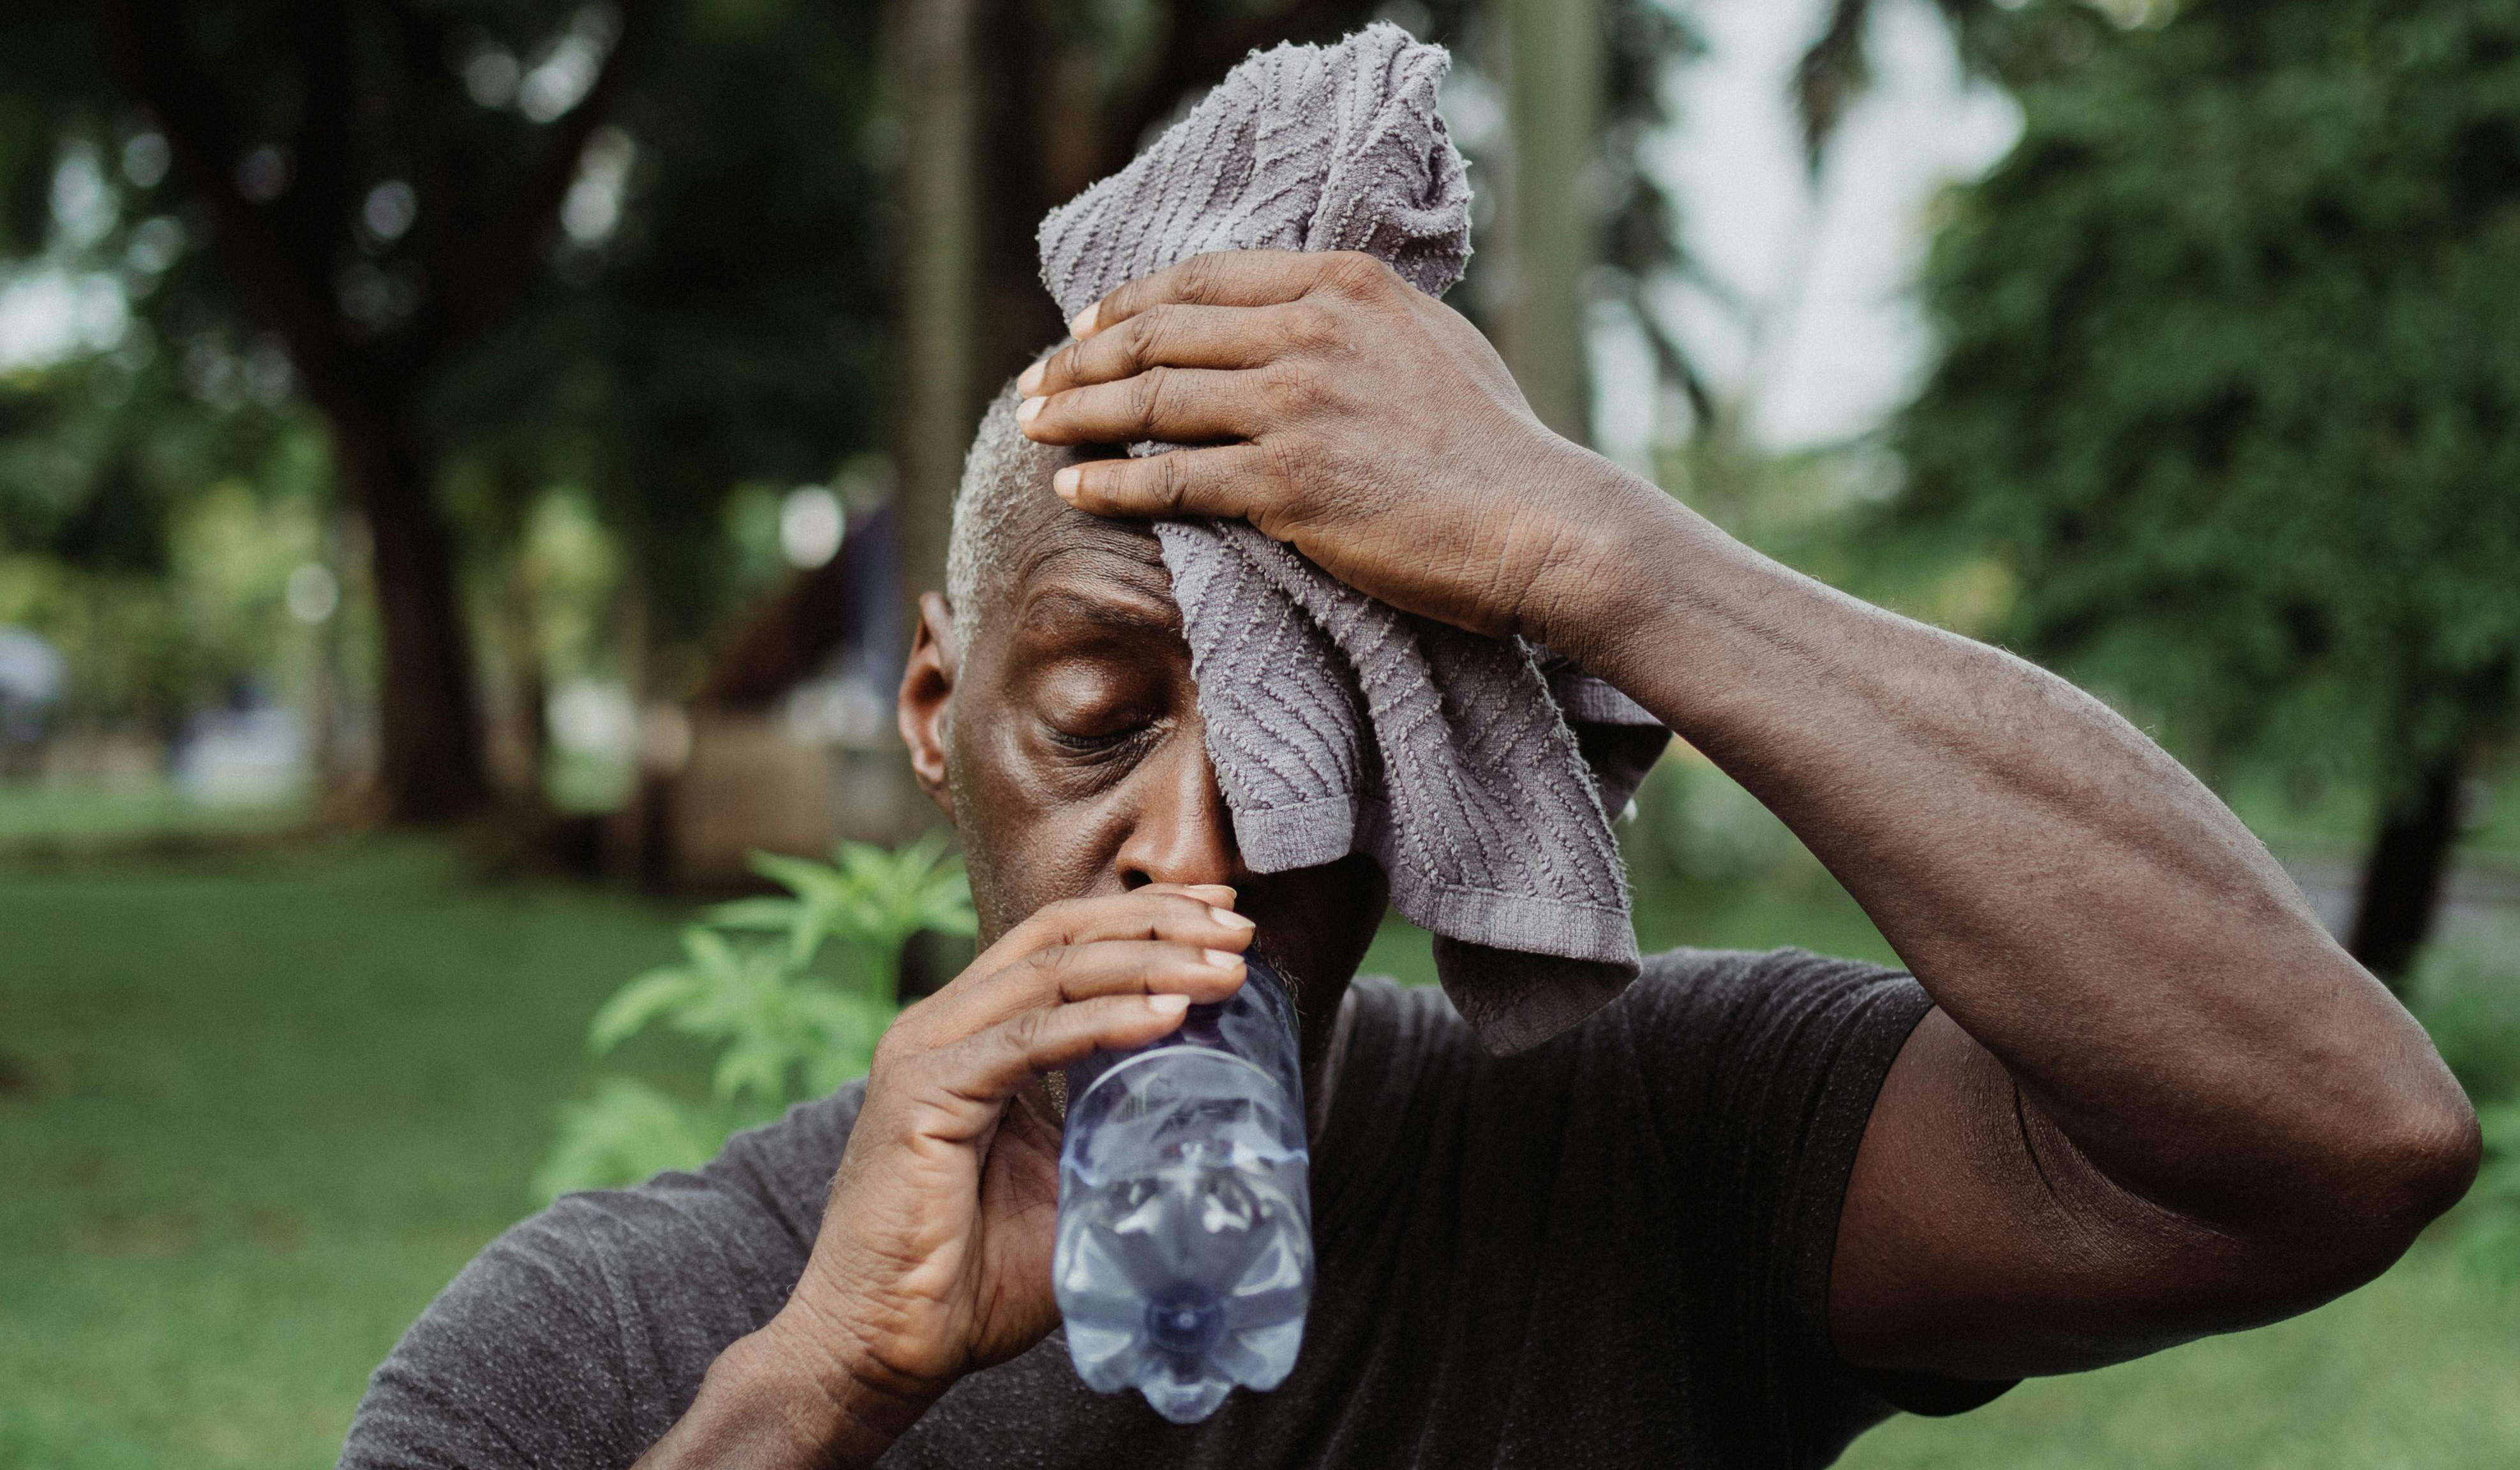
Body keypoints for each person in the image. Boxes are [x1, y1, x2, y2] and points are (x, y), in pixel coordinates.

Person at [341, 252, 2478, 1469]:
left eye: (1310, 733)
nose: (1193, 847)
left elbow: (2340, 1140)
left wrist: (1603, 552)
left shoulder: (1651, 1159)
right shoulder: (603, 1350)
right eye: (1095, 713)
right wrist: (821, 1386)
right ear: (933, 712)